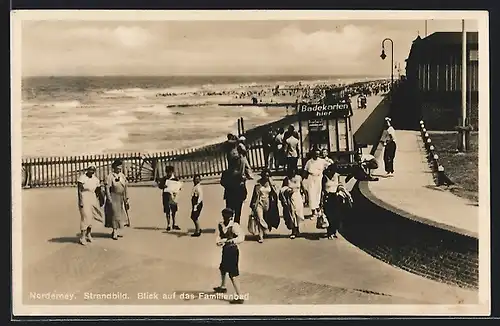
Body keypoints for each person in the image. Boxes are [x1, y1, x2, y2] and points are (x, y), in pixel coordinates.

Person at [213, 208, 245, 304]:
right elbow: (220, 236)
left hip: (232, 251)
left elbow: (241, 237)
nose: (226, 219)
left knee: (233, 274)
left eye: (228, 217)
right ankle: (223, 287)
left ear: (231, 217)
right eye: (224, 217)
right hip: (226, 250)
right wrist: (218, 241)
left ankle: (240, 296)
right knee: (222, 268)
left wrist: (233, 240)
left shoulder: (234, 226)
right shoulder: (221, 225)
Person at [221, 145, 253, 224]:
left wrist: (228, 185)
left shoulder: (227, 173)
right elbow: (242, 186)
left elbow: (222, 182)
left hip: (230, 194)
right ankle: (235, 227)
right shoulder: (239, 174)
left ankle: (230, 226)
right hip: (237, 195)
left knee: (230, 212)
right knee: (237, 213)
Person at [248, 169, 280, 243]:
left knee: (266, 217)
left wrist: (272, 185)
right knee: (260, 218)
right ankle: (260, 236)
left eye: (268, 176)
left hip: (268, 203)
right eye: (265, 175)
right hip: (259, 203)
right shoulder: (258, 184)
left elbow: (275, 193)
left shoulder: (271, 183)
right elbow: (254, 195)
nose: (266, 177)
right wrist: (253, 205)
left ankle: (265, 230)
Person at [77, 164, 104, 245]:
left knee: (91, 217)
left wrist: (101, 200)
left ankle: (88, 235)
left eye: (93, 170)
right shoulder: (82, 178)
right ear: (87, 169)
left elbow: (98, 190)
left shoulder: (95, 179)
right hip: (84, 197)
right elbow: (79, 190)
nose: (91, 171)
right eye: (90, 169)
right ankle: (82, 237)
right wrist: (80, 201)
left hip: (93, 198)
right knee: (85, 217)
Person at [322, 163, 349, 239]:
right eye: (332, 170)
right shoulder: (325, 177)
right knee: (329, 215)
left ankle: (334, 231)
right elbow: (322, 189)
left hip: (336, 197)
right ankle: (329, 232)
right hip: (327, 197)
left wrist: (341, 190)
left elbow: (341, 185)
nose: (333, 172)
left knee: (337, 215)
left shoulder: (337, 176)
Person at [105, 159, 129, 240]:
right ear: (114, 167)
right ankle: (114, 231)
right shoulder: (110, 176)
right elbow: (107, 188)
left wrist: (126, 198)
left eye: (120, 167)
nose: (119, 169)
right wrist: (109, 198)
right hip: (113, 196)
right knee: (114, 214)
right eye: (117, 167)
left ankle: (116, 231)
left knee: (120, 215)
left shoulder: (122, 176)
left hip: (121, 197)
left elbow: (125, 187)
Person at [279, 171, 305, 239]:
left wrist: (306, 196)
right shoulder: (286, 179)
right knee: (292, 214)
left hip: (298, 197)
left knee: (298, 214)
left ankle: (298, 230)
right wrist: (287, 191)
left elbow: (302, 187)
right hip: (290, 198)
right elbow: (282, 190)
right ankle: (293, 231)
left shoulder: (299, 178)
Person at [304, 148, 328, 218]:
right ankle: (313, 212)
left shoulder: (322, 161)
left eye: (318, 154)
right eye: (315, 154)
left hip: (319, 178)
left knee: (318, 194)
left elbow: (330, 165)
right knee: (311, 195)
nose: (316, 155)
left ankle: (318, 210)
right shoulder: (309, 162)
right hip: (311, 178)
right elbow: (305, 171)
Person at [157, 165, 183, 231]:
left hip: (173, 196)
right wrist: (163, 186)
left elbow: (179, 186)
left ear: (172, 172)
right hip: (166, 195)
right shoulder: (164, 178)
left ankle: (174, 223)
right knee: (167, 210)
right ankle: (168, 224)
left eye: (170, 172)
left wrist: (178, 188)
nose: (169, 173)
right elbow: (159, 186)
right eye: (167, 172)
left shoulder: (175, 179)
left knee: (174, 210)